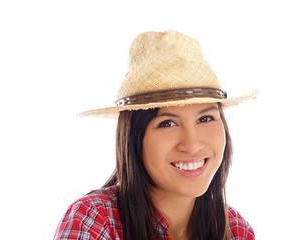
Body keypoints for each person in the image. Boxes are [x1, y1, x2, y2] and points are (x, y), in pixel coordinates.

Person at [54, 30, 258, 239]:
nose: (192, 144)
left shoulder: (235, 230)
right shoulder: (96, 219)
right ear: (133, 138)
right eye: (167, 123)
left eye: (205, 119)